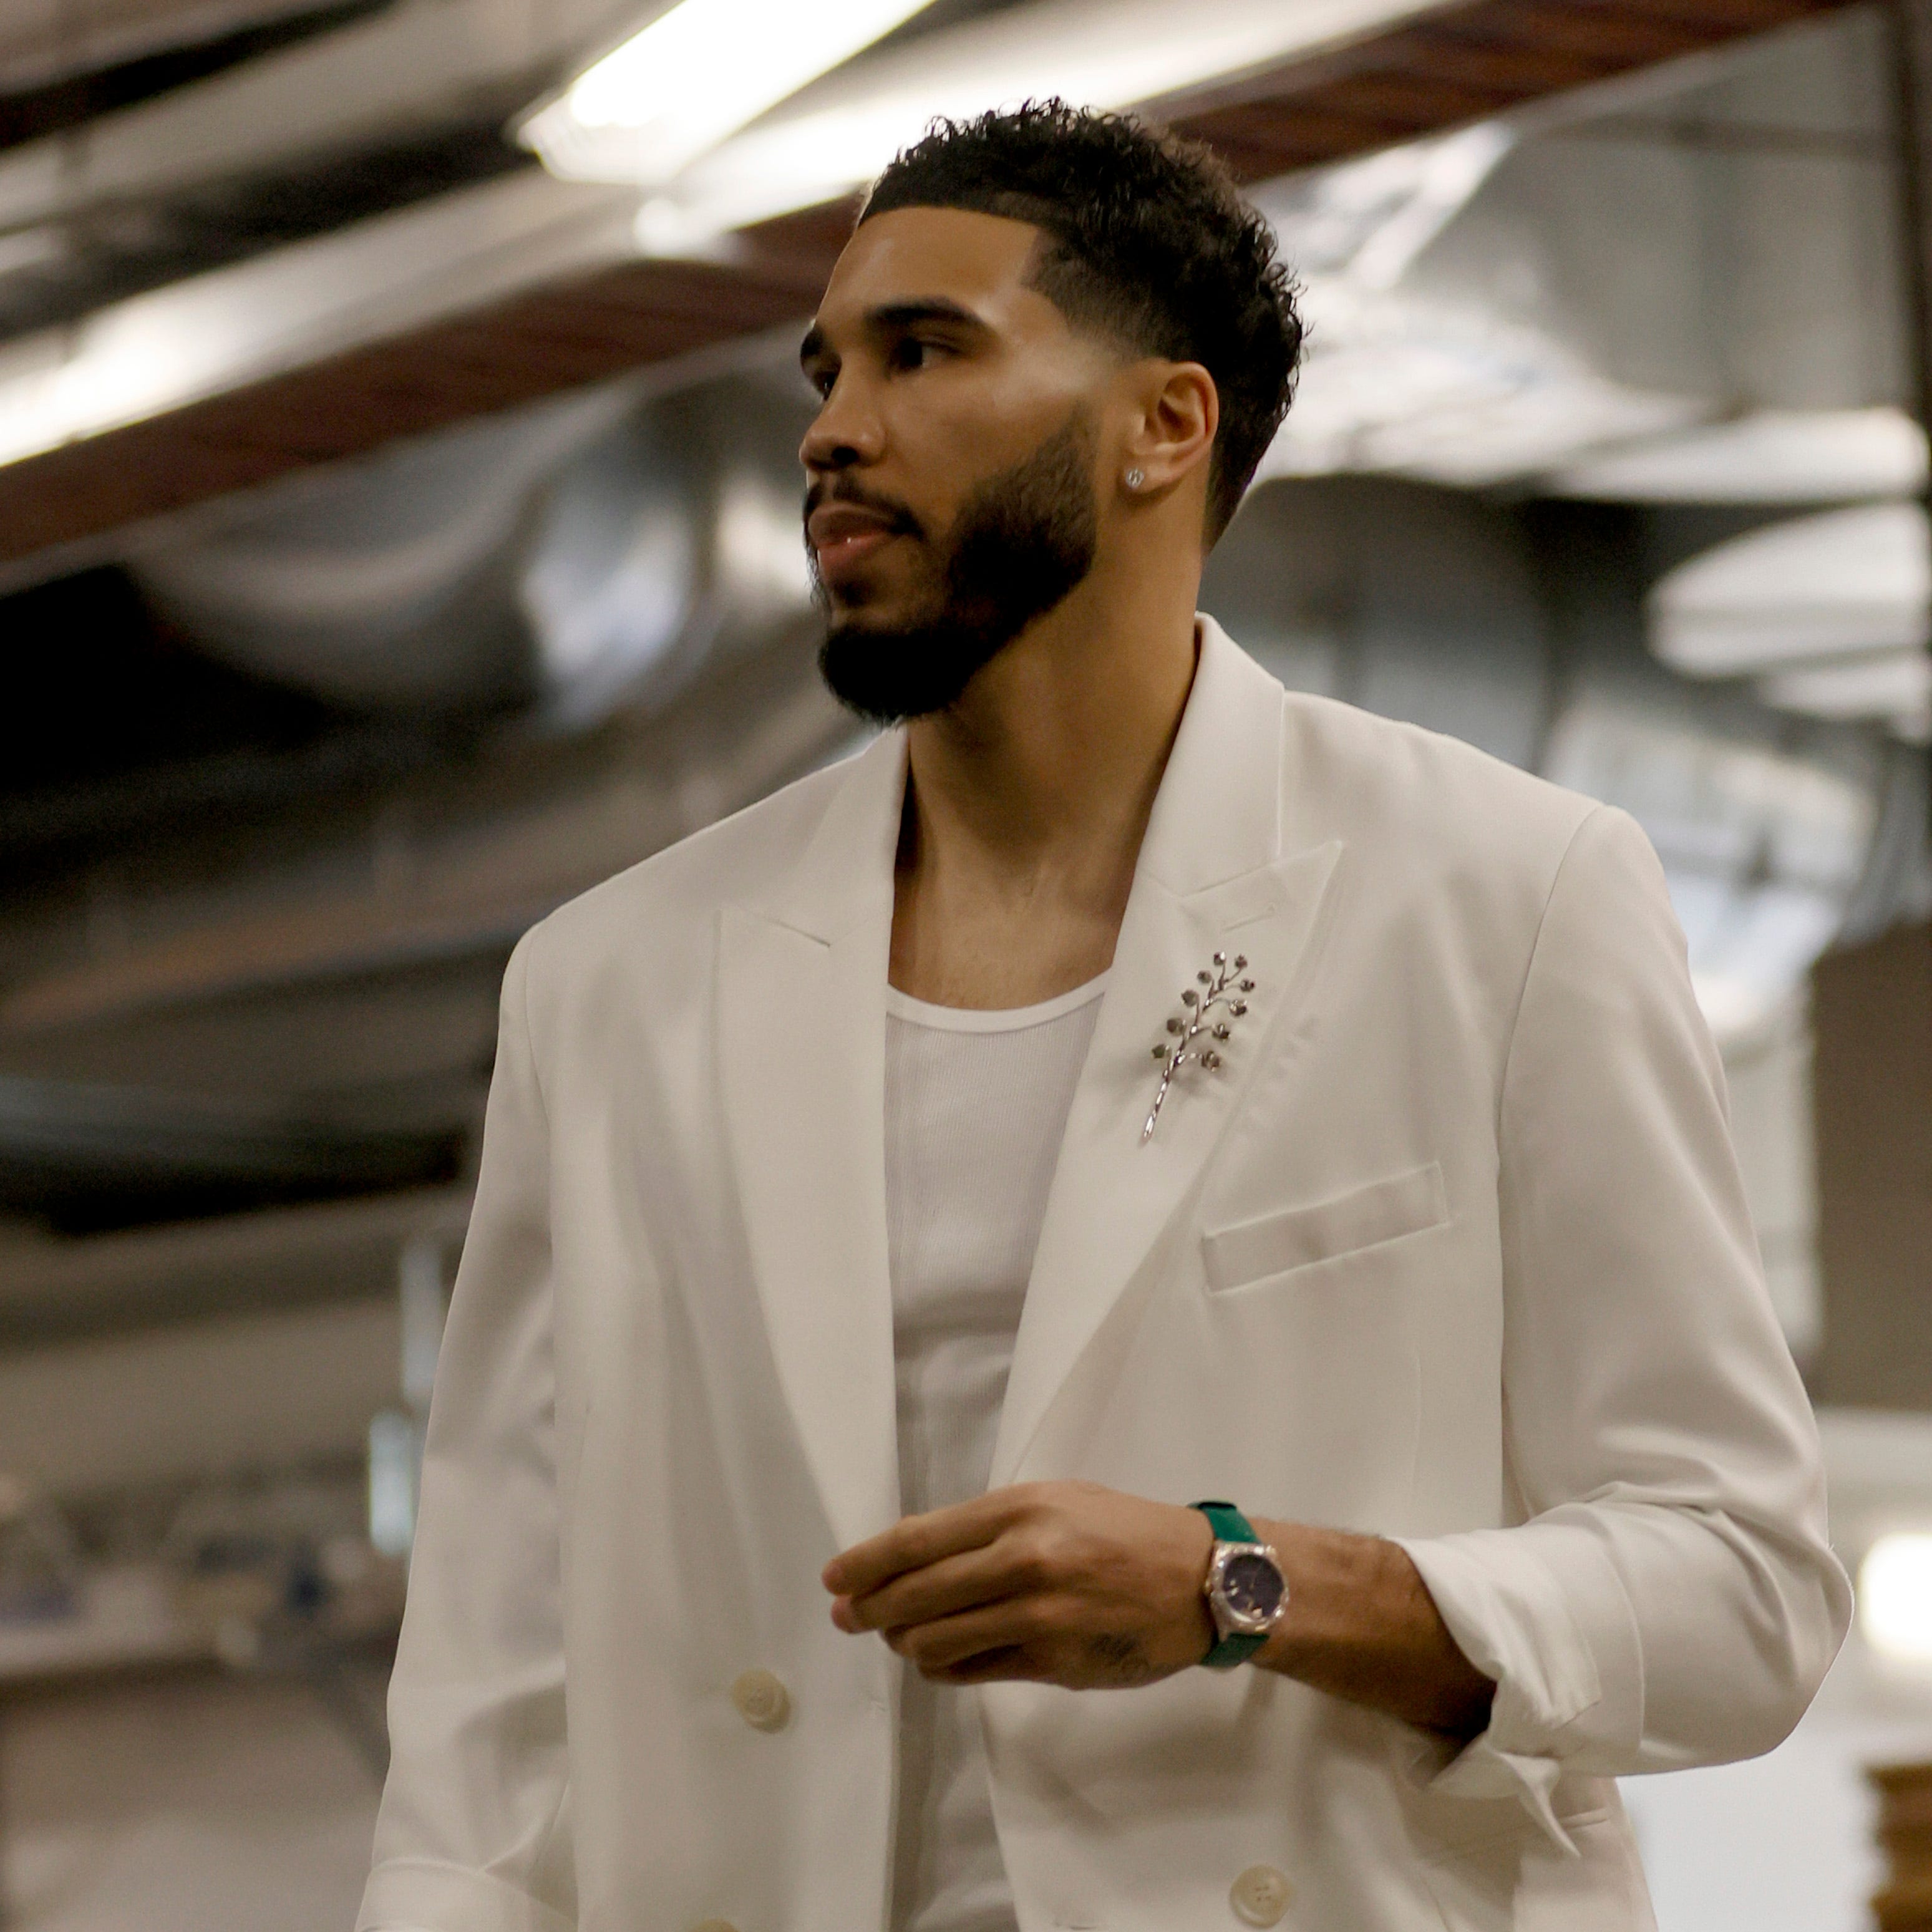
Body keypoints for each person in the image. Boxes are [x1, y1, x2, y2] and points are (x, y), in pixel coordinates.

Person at [357, 102, 1850, 1932]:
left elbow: (1741, 1588)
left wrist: (1245, 1583)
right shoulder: (614, 981)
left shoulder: (1501, 893)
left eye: (925, 350)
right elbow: (490, 1714)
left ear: (1164, 423)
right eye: (827, 367)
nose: (833, 427)